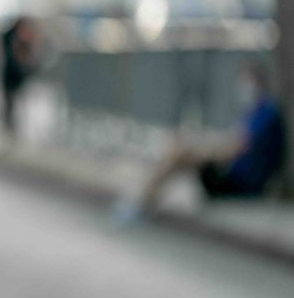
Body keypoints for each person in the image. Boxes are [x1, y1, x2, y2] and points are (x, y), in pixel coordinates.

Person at [120, 62, 287, 221]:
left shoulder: (267, 111)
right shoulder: (253, 111)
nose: (243, 87)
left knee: (182, 150)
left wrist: (207, 147)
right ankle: (143, 199)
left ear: (258, 82)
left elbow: (238, 145)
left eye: (246, 81)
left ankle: (142, 201)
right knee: (179, 146)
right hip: (231, 175)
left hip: (242, 183)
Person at [0, 15, 40, 133]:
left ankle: (14, 127)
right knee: (9, 104)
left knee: (19, 103)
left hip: (20, 78)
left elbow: (31, 61)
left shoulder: (25, 40)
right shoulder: (9, 38)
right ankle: (9, 127)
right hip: (10, 76)